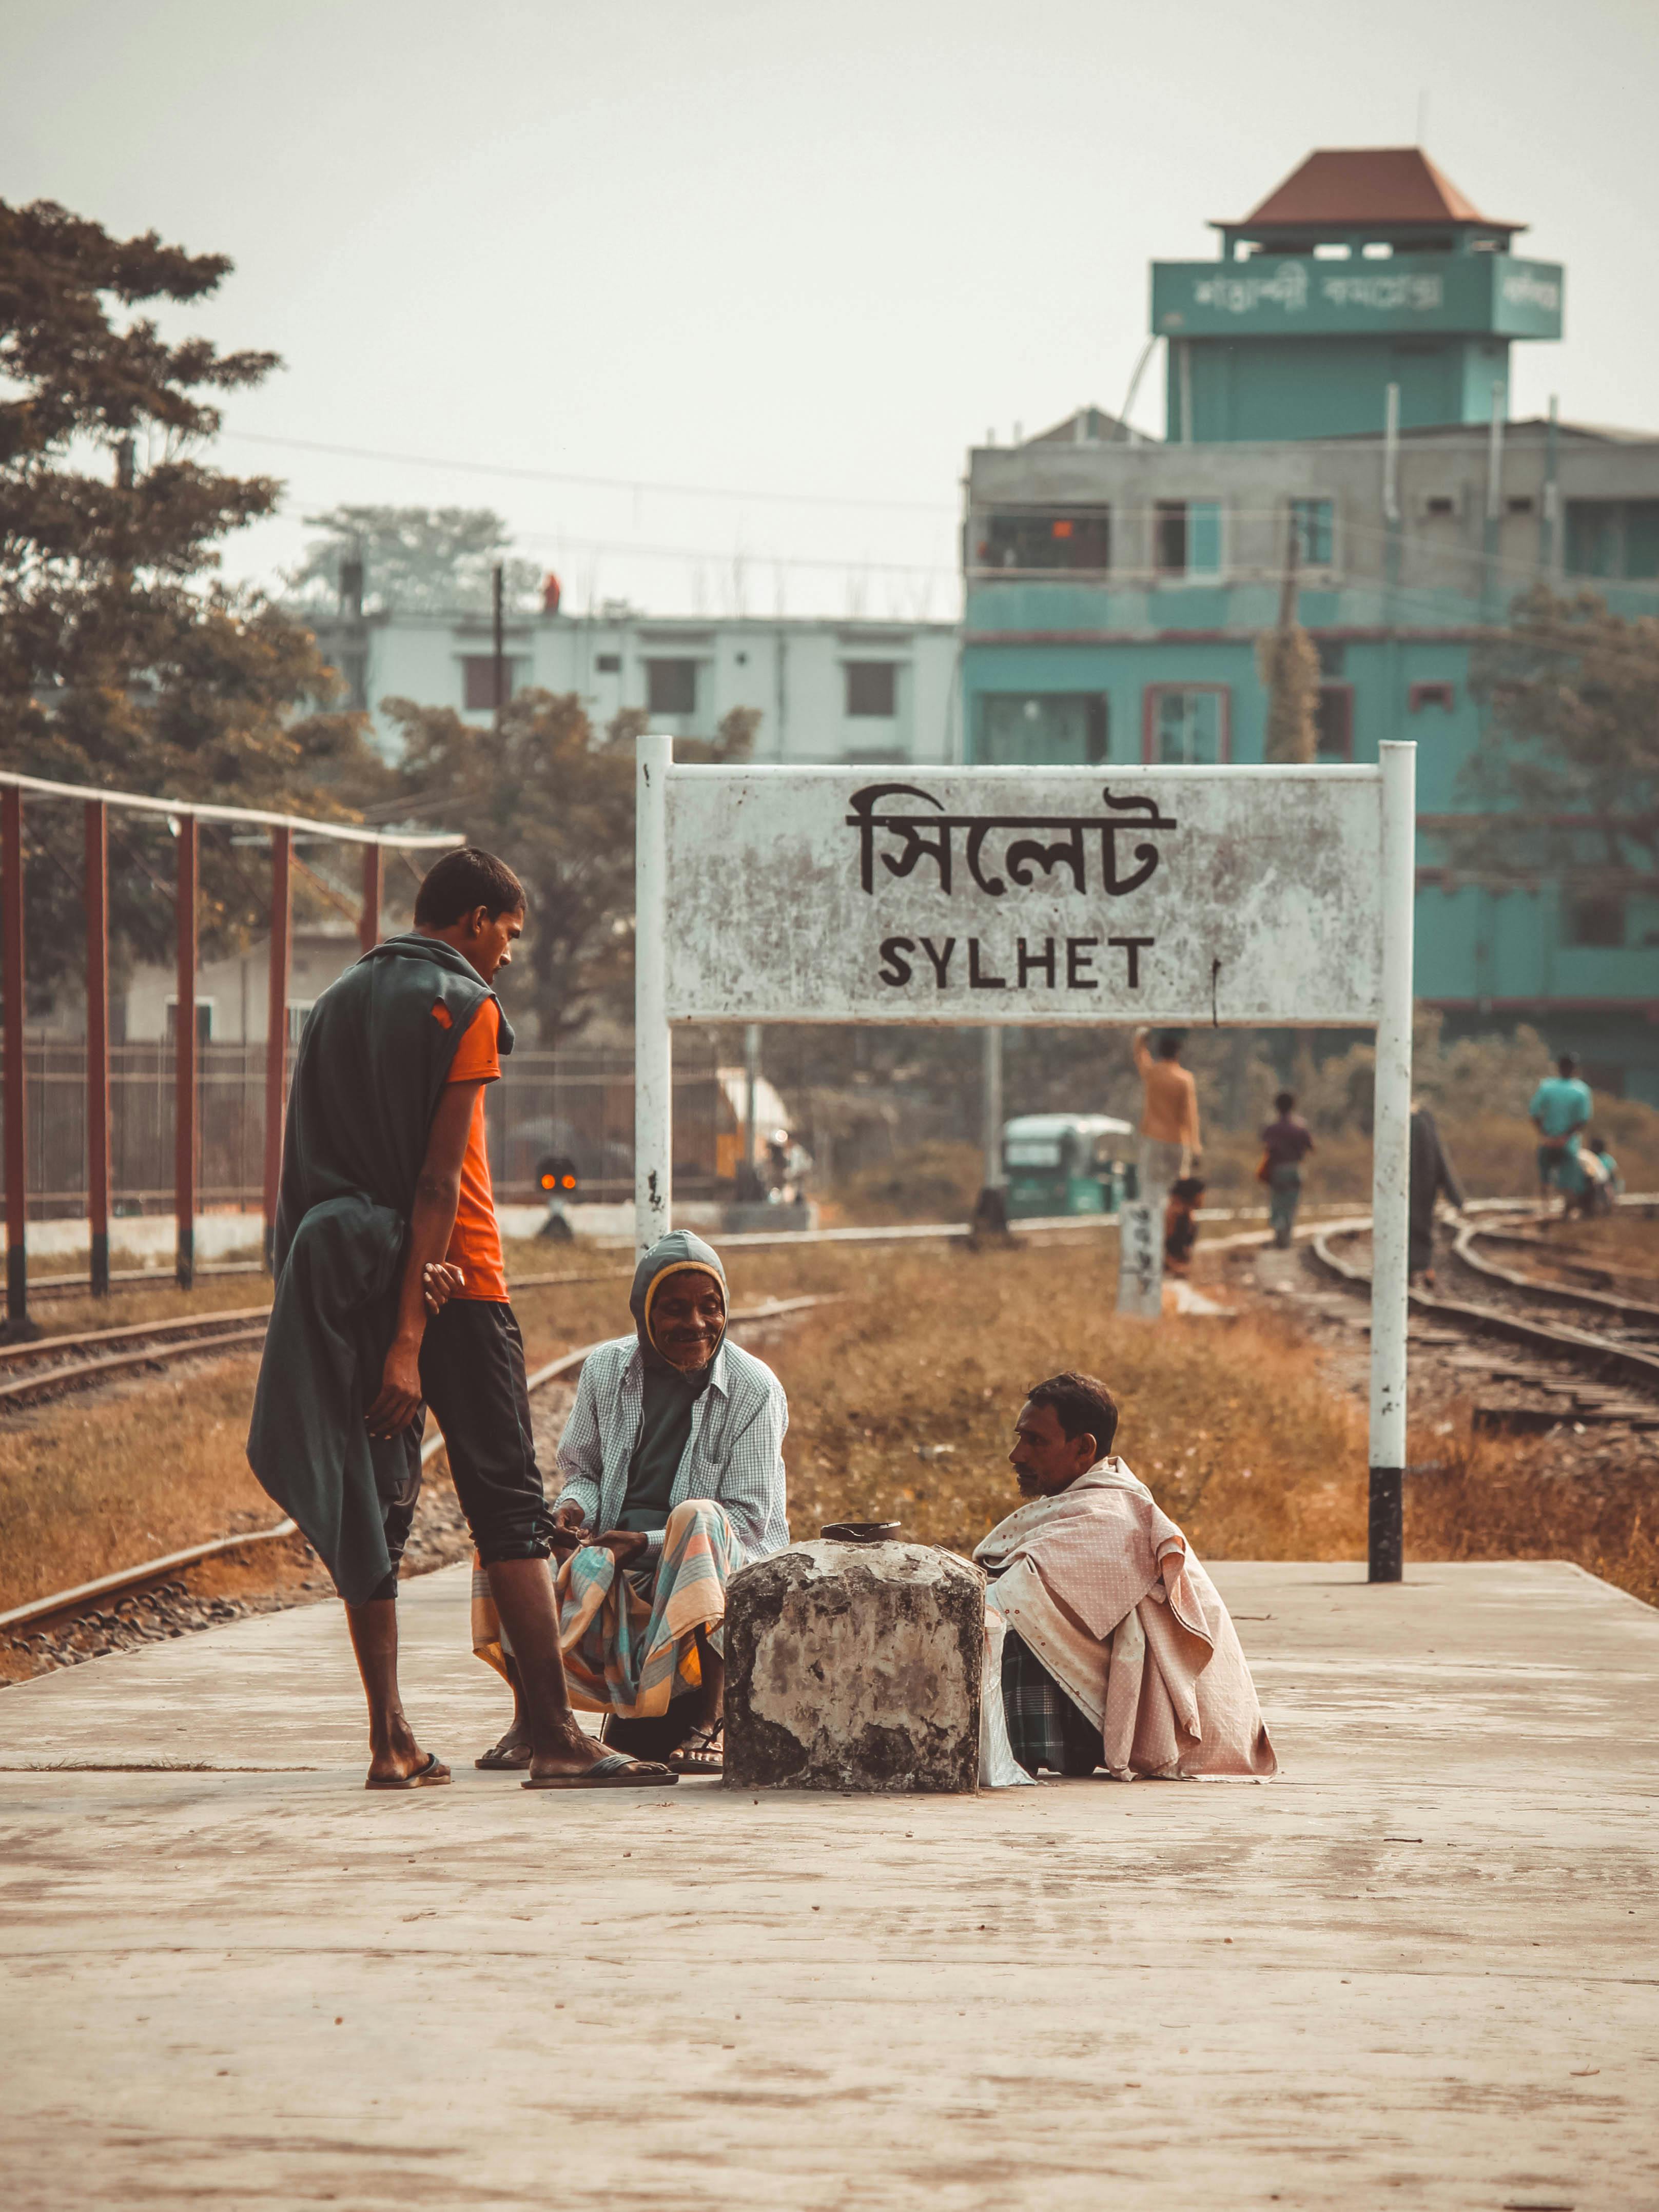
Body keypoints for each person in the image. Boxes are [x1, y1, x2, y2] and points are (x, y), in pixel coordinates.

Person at [248, 846, 673, 1792]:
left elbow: (306, 1168)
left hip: (349, 1283)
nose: (510, 957)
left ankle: (391, 1740)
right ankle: (556, 1736)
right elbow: (441, 1180)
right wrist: (410, 1336)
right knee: (508, 1509)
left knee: (377, 1506)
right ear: (476, 919)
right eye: (509, 934)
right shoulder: (463, 1002)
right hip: (457, 1288)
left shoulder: (337, 1003)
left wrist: (364, 1312)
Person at [471, 1230, 789, 1777]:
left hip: (711, 1569)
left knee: (699, 1515)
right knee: (510, 1537)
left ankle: (712, 1720)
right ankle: (537, 1720)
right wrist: (573, 1510)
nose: (695, 1324)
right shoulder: (605, 1370)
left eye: (710, 1308)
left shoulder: (754, 1388)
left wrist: (642, 1542)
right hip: (616, 1565)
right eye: (674, 1309)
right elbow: (585, 1471)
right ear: (644, 1315)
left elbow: (747, 1521)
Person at [975, 1373, 1275, 1782]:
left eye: (1035, 1442)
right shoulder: (1087, 1499)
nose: (1016, 1455)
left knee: (1008, 1617)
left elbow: (1007, 1597)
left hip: (1175, 1728)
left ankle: (1032, 1753)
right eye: (1019, 1438)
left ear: (1083, 1449)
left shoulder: (1110, 1514)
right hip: (1112, 1702)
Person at [1131, 1027, 1200, 1210]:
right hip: (1178, 1140)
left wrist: (1142, 1036)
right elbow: (1189, 1115)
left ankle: (1153, 1226)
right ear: (1178, 1053)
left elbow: (1140, 1055)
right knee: (1176, 1188)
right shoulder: (1185, 1079)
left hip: (1154, 1137)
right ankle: (1172, 1225)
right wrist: (1195, 1147)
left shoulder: (1153, 1074)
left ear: (1160, 1051)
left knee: (1150, 1185)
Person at [1409, 1100, 1465, 1285]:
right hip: (1425, 1185)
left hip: (1415, 1185)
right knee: (1423, 1224)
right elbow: (1440, 1157)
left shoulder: (1418, 1120)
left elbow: (1438, 1156)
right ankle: (1423, 1268)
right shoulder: (1424, 1120)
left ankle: (1418, 1268)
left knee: (1414, 1224)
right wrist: (1454, 1194)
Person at [1529, 1052, 1592, 1208]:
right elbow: (1583, 1120)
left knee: (1545, 1175)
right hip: (1569, 1143)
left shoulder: (1547, 1086)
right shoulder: (1581, 1090)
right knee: (1569, 1178)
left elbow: (1534, 1113)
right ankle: (1566, 1210)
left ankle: (1545, 1206)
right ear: (1574, 1069)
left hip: (1548, 1140)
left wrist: (1545, 1134)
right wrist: (1565, 1137)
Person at [1260, 1089, 1315, 1249]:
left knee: (1277, 1201)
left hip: (1277, 1170)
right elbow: (1311, 1147)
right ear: (1294, 1106)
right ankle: (1287, 1236)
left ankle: (1278, 1231)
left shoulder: (1272, 1128)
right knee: (1291, 1203)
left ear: (1277, 1107)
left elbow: (1266, 1146)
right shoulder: (1300, 1127)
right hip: (1295, 1169)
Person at [1163, 1174, 1205, 1278]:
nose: (1203, 1198)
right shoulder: (1174, 1215)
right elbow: (1161, 1247)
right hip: (1168, 1274)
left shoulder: (1188, 1215)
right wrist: (1175, 1267)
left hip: (1180, 1271)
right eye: (1201, 1195)